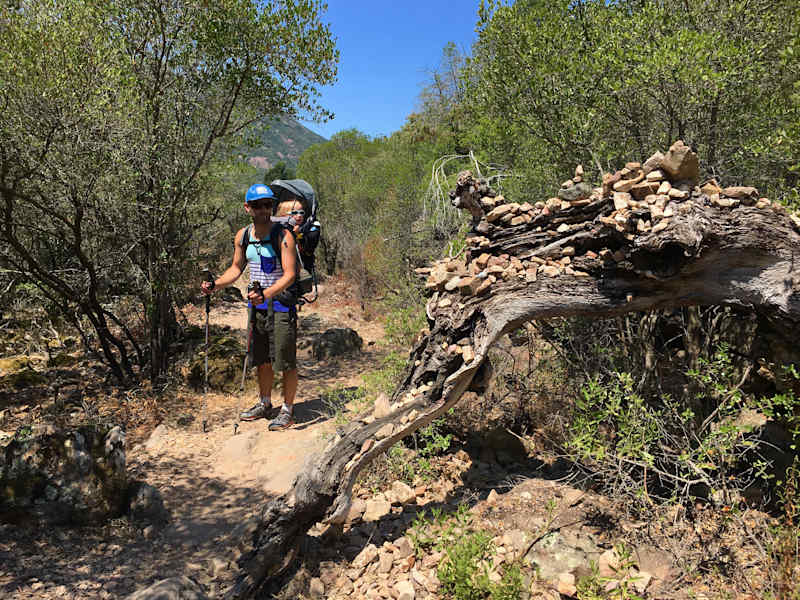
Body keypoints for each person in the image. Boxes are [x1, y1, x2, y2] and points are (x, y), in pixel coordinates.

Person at [201, 184, 298, 431]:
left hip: (281, 306)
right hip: (257, 308)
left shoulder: (283, 236)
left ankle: (287, 410)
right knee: (262, 358)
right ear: (247, 208)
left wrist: (266, 293)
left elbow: (290, 274)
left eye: (268, 204)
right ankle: (265, 403)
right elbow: (236, 268)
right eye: (257, 205)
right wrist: (215, 285)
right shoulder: (243, 236)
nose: (264, 209)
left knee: (285, 360)